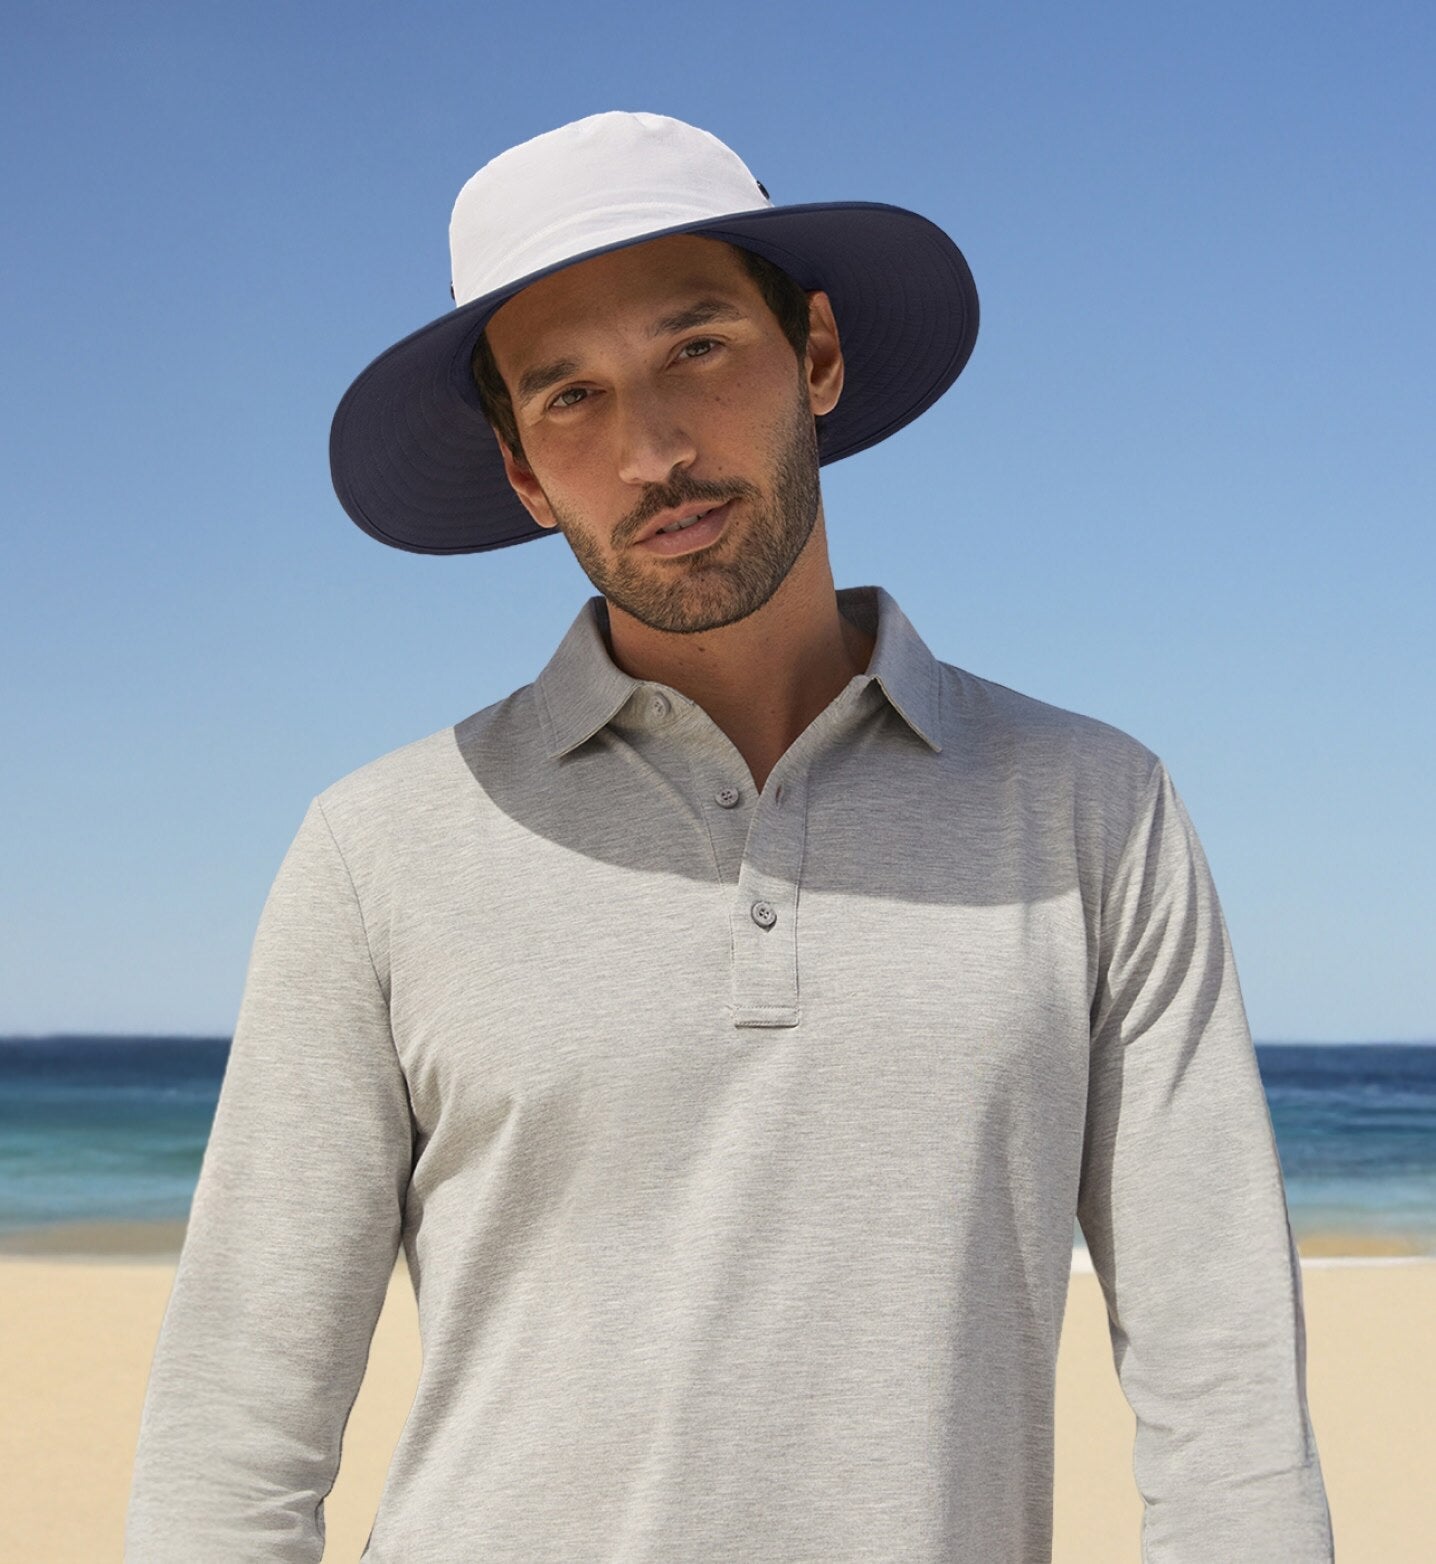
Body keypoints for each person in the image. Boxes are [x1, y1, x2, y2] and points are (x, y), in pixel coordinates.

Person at [124, 111, 1334, 1562]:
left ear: (815, 357)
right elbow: (237, 1430)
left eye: (696, 348)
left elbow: (1228, 1405)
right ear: (523, 477)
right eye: (568, 398)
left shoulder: (1091, 810)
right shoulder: (378, 851)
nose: (652, 452)